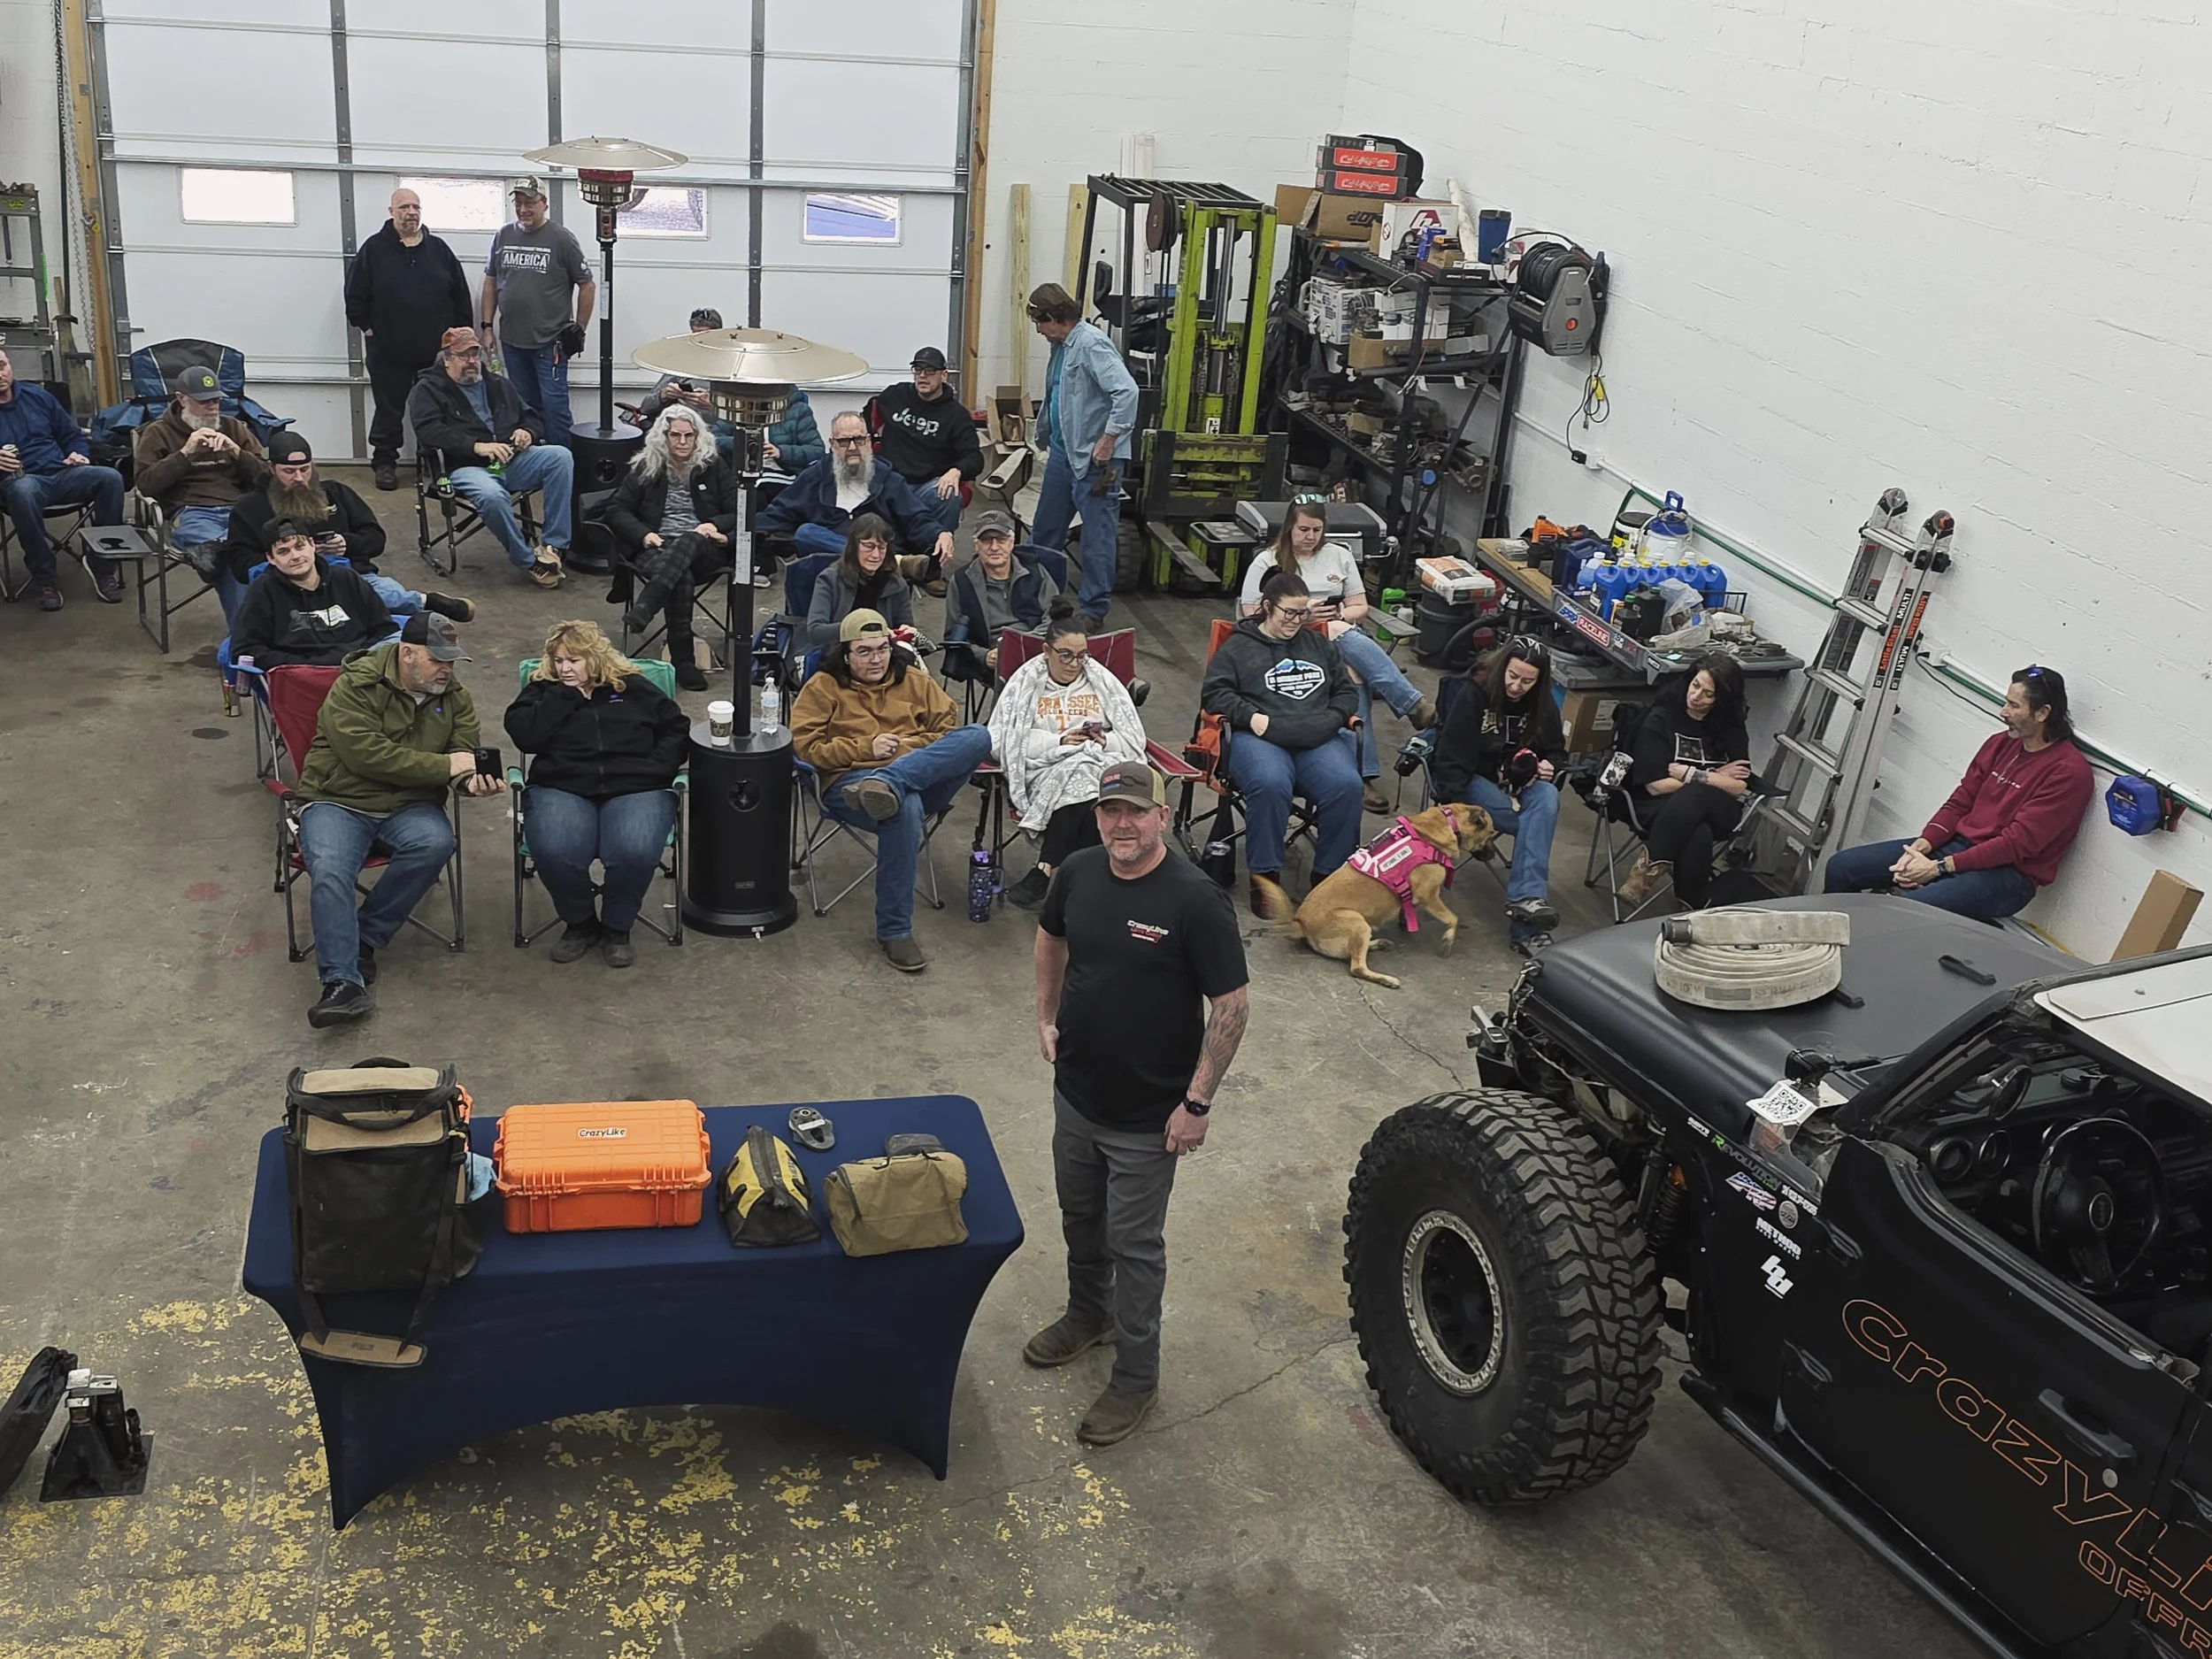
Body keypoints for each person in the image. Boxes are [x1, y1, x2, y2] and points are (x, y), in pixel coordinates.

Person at [1028, 759, 1249, 1447]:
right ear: (1097, 817)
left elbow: (1232, 1004)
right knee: (1079, 1214)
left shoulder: (1194, 898)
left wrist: (1198, 1102)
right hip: (1078, 1093)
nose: (1123, 824)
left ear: (1161, 816)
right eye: (1110, 811)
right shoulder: (1078, 871)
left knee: (1134, 1244)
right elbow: (1051, 937)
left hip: (1150, 1114)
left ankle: (1135, 1377)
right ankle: (1088, 1313)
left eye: (1136, 811)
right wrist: (1045, 1016)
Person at [291, 614, 502, 1029]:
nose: (447, 670)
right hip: (339, 800)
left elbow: (463, 753)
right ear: (406, 654)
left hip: (408, 805)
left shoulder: (455, 697)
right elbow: (365, 755)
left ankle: (365, 937)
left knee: (435, 842)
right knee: (330, 870)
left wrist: (470, 782)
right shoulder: (355, 685)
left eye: (453, 661)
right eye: (438, 660)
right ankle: (341, 984)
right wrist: (446, 767)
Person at [788, 609, 994, 972]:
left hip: (917, 776)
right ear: (846, 654)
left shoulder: (914, 680)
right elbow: (806, 749)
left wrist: (899, 754)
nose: (876, 659)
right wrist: (865, 749)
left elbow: (948, 731)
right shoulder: (822, 687)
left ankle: (892, 781)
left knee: (978, 736)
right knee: (903, 808)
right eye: (864, 651)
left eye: (882, 649)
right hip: (850, 785)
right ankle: (895, 930)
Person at [1824, 664, 2093, 921]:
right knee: (1842, 867)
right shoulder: (2000, 744)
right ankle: (1823, 948)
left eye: (2014, 706)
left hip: (2009, 875)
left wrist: (1937, 868)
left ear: (2042, 713)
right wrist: (1920, 848)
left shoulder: (2068, 772)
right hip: (1959, 847)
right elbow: (1960, 802)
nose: (2003, 712)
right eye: (2005, 702)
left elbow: (2015, 845)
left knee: (1903, 912)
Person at [504, 620, 689, 966]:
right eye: (559, 661)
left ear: (594, 658)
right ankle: (580, 922)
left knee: (633, 848)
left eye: (574, 660)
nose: (564, 668)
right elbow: (526, 737)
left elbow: (676, 727)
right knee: (555, 849)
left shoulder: (631, 687)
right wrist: (564, 694)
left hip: (637, 785)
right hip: (563, 785)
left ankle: (617, 927)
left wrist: (658, 766)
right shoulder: (544, 690)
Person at [1239, 497, 1433, 810]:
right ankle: (1413, 707)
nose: (1310, 536)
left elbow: (1360, 606)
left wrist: (1341, 613)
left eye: (1317, 529)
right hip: (1287, 639)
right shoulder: (1268, 562)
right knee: (1345, 642)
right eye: (1303, 529)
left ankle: (1362, 776)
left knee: (1353, 673)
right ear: (1290, 527)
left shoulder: (1338, 556)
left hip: (1335, 633)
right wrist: (1303, 616)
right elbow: (1249, 614)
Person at [1200, 569, 1363, 915]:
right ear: (1266, 607)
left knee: (1347, 785)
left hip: (1317, 738)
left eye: (1302, 612)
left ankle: (1328, 880)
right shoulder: (1238, 647)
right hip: (1260, 736)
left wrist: (1333, 718)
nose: (1296, 620)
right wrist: (1251, 717)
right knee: (1270, 783)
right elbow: (1215, 694)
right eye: (1288, 612)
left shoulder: (1318, 644)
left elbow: (1346, 691)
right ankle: (1266, 881)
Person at [989, 598, 1147, 910]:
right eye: (1066, 655)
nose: (1075, 663)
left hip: (1100, 763)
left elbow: (1132, 737)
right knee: (1082, 779)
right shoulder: (1026, 683)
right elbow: (1003, 739)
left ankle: (1045, 870)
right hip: (1046, 768)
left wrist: (1103, 742)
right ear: (1046, 651)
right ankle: (1092, 887)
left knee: (1086, 774)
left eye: (1081, 656)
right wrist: (1059, 741)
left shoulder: (1100, 681)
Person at [227, 432, 472, 626]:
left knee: (386, 595)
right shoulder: (250, 508)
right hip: (284, 585)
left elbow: (376, 539)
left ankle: (427, 604)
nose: (300, 478)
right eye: (289, 472)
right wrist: (286, 558)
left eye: (305, 469)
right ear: (271, 469)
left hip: (349, 575)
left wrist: (347, 544)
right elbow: (239, 563)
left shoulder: (336, 492)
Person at [1427, 636, 1567, 955]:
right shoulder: (1476, 692)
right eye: (1513, 676)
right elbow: (1451, 759)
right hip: (1472, 781)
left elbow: (1559, 755)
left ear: (1540, 681)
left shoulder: (1543, 705)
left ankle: (1527, 902)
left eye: (1527, 681)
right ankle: (1527, 927)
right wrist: (1458, 815)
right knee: (1536, 823)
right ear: (1502, 667)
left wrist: (1547, 765)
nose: (1517, 686)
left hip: (1520, 786)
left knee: (1546, 797)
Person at [406, 326, 572, 588]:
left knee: (560, 457)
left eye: (475, 354)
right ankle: (528, 560)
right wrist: (476, 446)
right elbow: (429, 432)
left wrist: (526, 431)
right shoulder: (428, 389)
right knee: (492, 496)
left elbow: (531, 416)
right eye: (464, 356)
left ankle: (553, 545)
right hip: (464, 467)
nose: (472, 362)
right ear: (447, 359)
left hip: (510, 459)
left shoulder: (497, 383)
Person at [1025, 282, 1138, 632]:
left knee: (1096, 536)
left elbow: (1127, 392)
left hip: (1096, 462)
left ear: (1055, 318)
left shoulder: (1091, 344)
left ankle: (1093, 608)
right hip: (1064, 453)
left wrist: (1108, 441)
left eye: (1039, 323)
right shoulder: (1061, 346)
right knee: (1045, 530)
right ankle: (1042, 598)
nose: (1039, 331)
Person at [345, 187, 472, 490]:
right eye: (404, 207)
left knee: (435, 409)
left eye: (415, 207)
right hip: (388, 350)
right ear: (392, 212)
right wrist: (368, 328)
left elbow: (460, 295)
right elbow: (354, 294)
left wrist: (460, 336)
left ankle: (432, 459)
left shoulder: (439, 250)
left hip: (435, 353)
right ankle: (385, 462)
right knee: (389, 410)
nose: (410, 212)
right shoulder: (373, 249)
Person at [605, 405, 738, 691]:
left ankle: (648, 604)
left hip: (705, 547)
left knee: (690, 539)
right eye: (675, 435)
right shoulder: (647, 465)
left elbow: (739, 510)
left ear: (698, 437)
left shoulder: (713, 465)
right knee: (681, 575)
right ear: (663, 436)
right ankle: (683, 663)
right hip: (657, 545)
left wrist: (714, 524)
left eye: (688, 436)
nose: (682, 442)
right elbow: (616, 509)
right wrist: (643, 535)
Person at [132, 363, 269, 622]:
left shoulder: (233, 427)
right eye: (204, 401)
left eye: (216, 399)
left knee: (268, 553)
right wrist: (184, 454)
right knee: (236, 561)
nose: (213, 406)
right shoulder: (158, 432)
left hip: (239, 509)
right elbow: (145, 484)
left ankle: (224, 550)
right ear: (181, 399)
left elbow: (267, 476)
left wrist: (237, 453)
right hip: (192, 512)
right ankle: (246, 641)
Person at [1620, 654, 1753, 910]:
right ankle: (1693, 904)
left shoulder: (1730, 726)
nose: (1696, 696)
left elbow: (1739, 786)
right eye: (1695, 686)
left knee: (1696, 794)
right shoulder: (1661, 719)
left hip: (1720, 809)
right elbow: (1656, 785)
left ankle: (1644, 874)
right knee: (1698, 830)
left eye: (1708, 694)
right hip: (1660, 805)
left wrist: (1690, 774)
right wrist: (1717, 776)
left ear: (1721, 699)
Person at [757, 410, 953, 578]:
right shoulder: (814, 478)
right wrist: (732, 536)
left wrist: (939, 533)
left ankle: (884, 561)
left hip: (877, 565)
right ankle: (894, 563)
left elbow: (915, 517)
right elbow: (777, 513)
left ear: (868, 442)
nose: (852, 448)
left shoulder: (888, 479)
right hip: (833, 569)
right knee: (806, 534)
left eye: (858, 440)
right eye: (844, 441)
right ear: (832, 444)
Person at [0, 349, 123, 611]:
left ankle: (103, 563)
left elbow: (71, 434)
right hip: (19, 482)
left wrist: (76, 453)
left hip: (61, 471)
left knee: (110, 478)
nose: (0, 374)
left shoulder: (37, 396)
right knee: (23, 492)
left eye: (2, 365)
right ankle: (44, 578)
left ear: (10, 365)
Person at [634, 306, 826, 472]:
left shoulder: (731, 372)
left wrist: (713, 407)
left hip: (709, 445)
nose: (699, 340)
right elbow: (645, 407)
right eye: (695, 335)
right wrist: (663, 395)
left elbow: (739, 419)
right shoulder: (680, 363)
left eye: (705, 335)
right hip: (681, 436)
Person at [479, 177, 593, 449]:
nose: (523, 209)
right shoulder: (503, 236)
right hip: (512, 341)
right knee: (523, 408)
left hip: (550, 343)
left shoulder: (561, 238)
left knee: (555, 409)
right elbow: (490, 281)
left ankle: (562, 465)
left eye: (530, 203)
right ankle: (535, 462)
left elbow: (587, 284)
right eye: (518, 203)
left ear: (544, 204)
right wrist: (486, 326)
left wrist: (579, 327)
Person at [232, 518, 396, 668]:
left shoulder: (346, 578)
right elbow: (245, 649)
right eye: (283, 551)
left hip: (361, 669)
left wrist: (361, 657)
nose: (295, 556)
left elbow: (385, 629)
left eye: (299, 546)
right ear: (271, 558)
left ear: (312, 545)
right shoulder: (263, 590)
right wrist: (306, 665)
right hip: (302, 678)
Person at [873, 345, 981, 540]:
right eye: (918, 370)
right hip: (889, 481)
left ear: (944, 375)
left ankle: (933, 558)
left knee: (949, 494)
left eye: (930, 371)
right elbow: (869, 414)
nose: (923, 376)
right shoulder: (895, 395)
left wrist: (955, 472)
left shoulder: (957, 416)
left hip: (927, 486)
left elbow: (974, 458)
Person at [941, 508, 1057, 684]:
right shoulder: (961, 581)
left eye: (1001, 540)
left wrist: (1027, 644)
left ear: (1011, 542)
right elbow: (953, 638)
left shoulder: (1035, 570)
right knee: (1016, 678)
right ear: (976, 545)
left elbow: (1056, 617)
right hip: (995, 656)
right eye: (986, 540)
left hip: (1038, 648)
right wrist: (984, 656)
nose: (994, 547)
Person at [803, 513, 915, 656]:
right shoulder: (829, 579)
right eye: (869, 546)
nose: (876, 555)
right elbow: (816, 632)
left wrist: (907, 631)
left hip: (884, 655)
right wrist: (864, 629)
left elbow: (905, 625)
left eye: (882, 548)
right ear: (854, 546)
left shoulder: (896, 583)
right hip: (839, 655)